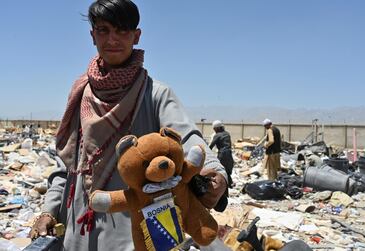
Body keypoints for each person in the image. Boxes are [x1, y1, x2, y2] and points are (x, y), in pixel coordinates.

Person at [29, 1, 227, 250]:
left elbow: (187, 139)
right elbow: (67, 164)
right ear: (93, 36)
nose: (112, 39)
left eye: (122, 30)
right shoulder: (81, 95)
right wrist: (48, 211)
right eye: (103, 30)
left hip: (138, 233)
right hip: (80, 232)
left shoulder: (154, 94)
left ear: (136, 36)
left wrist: (213, 170)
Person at [209, 120, 234, 187]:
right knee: (227, 170)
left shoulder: (217, 135)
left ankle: (222, 185)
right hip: (229, 154)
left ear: (216, 128)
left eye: (214, 129)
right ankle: (230, 184)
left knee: (220, 170)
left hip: (222, 155)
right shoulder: (227, 134)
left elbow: (211, 146)